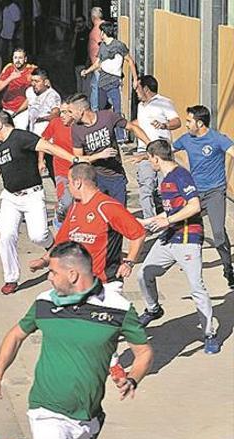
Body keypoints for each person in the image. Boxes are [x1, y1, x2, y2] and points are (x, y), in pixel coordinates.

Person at [0, 241, 153, 439]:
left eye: (53, 272)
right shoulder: (44, 303)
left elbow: (144, 351)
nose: (48, 278)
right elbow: (16, 335)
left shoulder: (118, 308)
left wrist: (133, 377)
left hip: (87, 414)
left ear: (73, 274)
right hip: (46, 410)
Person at [0, 110, 110, 294]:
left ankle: (52, 247)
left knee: (38, 236)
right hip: (10, 198)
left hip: (32, 195)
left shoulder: (21, 137)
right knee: (6, 237)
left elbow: (48, 147)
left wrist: (75, 158)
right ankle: (11, 279)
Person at [136, 140, 218, 353]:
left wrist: (168, 221)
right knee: (143, 273)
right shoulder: (165, 181)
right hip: (169, 238)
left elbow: (194, 206)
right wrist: (150, 221)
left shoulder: (181, 176)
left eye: (149, 158)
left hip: (188, 239)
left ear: (155, 158)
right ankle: (153, 309)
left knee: (196, 287)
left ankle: (209, 334)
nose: (149, 162)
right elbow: (171, 211)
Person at [30, 163, 145, 288]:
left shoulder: (107, 206)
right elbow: (61, 243)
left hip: (105, 284)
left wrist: (129, 262)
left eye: (69, 182)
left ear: (78, 182)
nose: (68, 186)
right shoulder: (75, 207)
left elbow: (138, 234)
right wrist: (44, 261)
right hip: (78, 283)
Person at [173, 105, 234, 288]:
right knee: (188, 230)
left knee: (218, 233)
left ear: (199, 123)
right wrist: (146, 154)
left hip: (215, 192)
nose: (186, 124)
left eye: (189, 121)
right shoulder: (186, 139)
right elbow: (167, 150)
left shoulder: (217, 139)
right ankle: (192, 265)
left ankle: (228, 268)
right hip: (195, 194)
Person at [67, 93, 150, 205]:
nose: (69, 115)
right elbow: (79, 160)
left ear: (81, 110)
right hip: (95, 177)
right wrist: (100, 155)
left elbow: (132, 127)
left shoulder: (107, 117)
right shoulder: (76, 129)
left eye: (71, 111)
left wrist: (150, 145)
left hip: (116, 175)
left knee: (120, 213)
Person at [79, 21, 138, 142]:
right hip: (102, 82)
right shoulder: (102, 46)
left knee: (117, 109)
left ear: (104, 32)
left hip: (113, 82)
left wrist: (135, 79)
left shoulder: (118, 45)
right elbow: (98, 63)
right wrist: (87, 71)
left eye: (101, 31)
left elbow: (130, 61)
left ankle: (120, 135)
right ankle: (105, 134)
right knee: (101, 111)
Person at [131, 75, 180, 220]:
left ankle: (167, 218)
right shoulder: (140, 106)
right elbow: (140, 123)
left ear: (145, 89)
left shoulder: (164, 102)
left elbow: (177, 122)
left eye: (138, 88)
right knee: (145, 188)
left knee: (163, 188)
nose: (136, 92)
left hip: (162, 153)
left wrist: (164, 125)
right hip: (144, 152)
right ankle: (150, 221)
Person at [37, 103, 76, 227]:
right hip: (61, 170)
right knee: (65, 200)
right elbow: (43, 141)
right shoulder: (55, 123)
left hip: (79, 171)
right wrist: (41, 160)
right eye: (61, 112)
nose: (62, 115)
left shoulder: (81, 126)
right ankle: (59, 226)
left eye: (66, 112)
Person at [0, 48, 35, 130]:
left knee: (19, 135)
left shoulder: (32, 70)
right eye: (15, 58)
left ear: (25, 59)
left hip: (23, 110)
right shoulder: (9, 68)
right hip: (7, 108)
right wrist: (10, 78)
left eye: (20, 58)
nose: (18, 60)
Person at [24, 67, 60, 136]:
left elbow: (56, 113)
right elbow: (28, 102)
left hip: (44, 133)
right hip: (32, 132)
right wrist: (16, 113)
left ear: (46, 82)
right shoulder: (30, 91)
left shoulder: (52, 95)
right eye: (32, 81)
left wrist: (42, 119)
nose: (33, 84)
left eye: (37, 81)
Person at [87, 7, 103, 111]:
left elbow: (101, 45)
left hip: (99, 65)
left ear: (93, 17)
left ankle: (95, 110)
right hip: (96, 65)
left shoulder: (98, 29)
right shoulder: (100, 27)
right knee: (95, 87)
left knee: (96, 89)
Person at [71, 15, 90, 96]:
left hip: (85, 62)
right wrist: (75, 34)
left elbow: (90, 48)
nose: (78, 24)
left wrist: (88, 61)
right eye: (76, 22)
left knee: (85, 86)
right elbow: (72, 46)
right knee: (79, 86)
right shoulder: (77, 33)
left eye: (80, 22)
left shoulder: (88, 33)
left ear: (84, 22)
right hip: (77, 62)